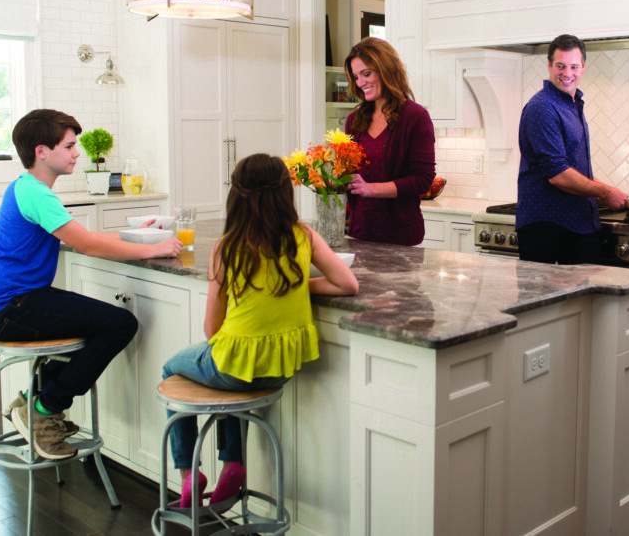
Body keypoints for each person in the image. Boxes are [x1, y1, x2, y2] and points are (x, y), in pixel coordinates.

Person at [0, 109, 183, 461]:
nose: (76, 153)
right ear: (42, 151)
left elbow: (83, 236)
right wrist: (151, 249)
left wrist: (137, 232)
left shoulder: (28, 189)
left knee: (98, 327)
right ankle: (44, 409)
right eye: (69, 146)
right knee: (119, 324)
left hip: (8, 303)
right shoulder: (36, 194)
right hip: (8, 307)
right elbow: (85, 244)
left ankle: (31, 401)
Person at [161, 153, 358, 509]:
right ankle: (233, 464)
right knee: (234, 374)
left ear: (236, 196)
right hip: (282, 369)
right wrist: (295, 286)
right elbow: (347, 284)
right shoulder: (303, 236)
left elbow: (211, 329)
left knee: (173, 368)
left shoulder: (226, 248)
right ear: (286, 194)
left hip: (235, 365)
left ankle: (189, 473)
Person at [516, 34, 629, 264]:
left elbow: (572, 166)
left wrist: (597, 188)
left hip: (577, 223)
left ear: (584, 67)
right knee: (544, 300)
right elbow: (558, 174)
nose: (567, 73)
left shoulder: (572, 103)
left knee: (581, 299)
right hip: (547, 226)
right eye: (560, 66)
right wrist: (604, 192)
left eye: (574, 66)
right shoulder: (543, 108)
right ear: (549, 66)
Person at [342, 37, 435, 246]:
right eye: (356, 76)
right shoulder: (354, 121)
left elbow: (423, 179)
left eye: (366, 74)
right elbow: (351, 176)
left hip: (402, 237)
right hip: (360, 233)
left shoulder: (415, 117)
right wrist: (333, 182)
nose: (360, 82)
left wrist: (370, 189)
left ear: (386, 70)